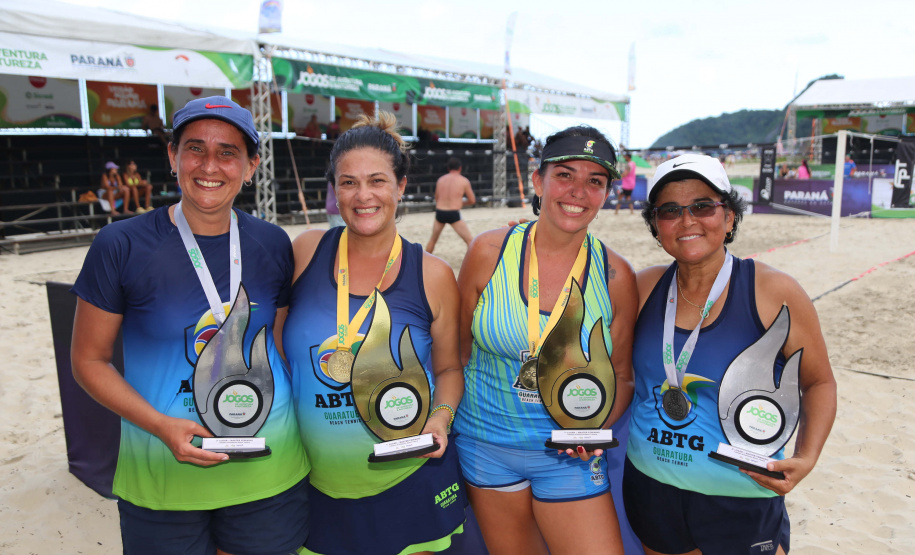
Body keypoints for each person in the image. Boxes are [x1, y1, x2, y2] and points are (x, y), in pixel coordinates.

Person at [70, 96, 310, 555]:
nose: (210, 165)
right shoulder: (120, 244)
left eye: (228, 152)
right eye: (195, 148)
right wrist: (160, 425)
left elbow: (277, 346)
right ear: (172, 156)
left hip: (268, 468)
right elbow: (88, 360)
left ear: (251, 164)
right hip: (161, 470)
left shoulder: (273, 243)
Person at [623, 154, 837, 555]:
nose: (687, 220)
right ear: (656, 227)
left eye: (702, 206)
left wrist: (807, 457)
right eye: (669, 210)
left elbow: (819, 381)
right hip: (651, 489)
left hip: (741, 495)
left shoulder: (773, 292)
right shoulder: (643, 288)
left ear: (730, 217)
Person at [284, 111, 467, 555]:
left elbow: (449, 368)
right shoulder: (305, 252)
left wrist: (439, 419)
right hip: (316, 488)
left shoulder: (433, 274)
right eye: (348, 182)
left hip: (410, 481)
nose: (363, 195)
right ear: (334, 191)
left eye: (377, 181)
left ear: (401, 186)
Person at [452, 125, 638, 555]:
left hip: (569, 454)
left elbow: (623, 376)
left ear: (607, 192)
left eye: (595, 181)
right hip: (487, 445)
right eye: (565, 175)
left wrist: (595, 430)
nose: (578, 191)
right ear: (538, 181)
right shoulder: (487, 253)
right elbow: (457, 355)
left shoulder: (616, 275)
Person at [425, 157, 476, 253]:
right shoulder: (464, 180)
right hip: (453, 213)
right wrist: (461, 203)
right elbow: (472, 200)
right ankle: (473, 264)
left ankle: (423, 263)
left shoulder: (440, 180)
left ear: (448, 168)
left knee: (433, 240)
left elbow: (437, 198)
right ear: (460, 168)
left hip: (440, 212)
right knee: (469, 240)